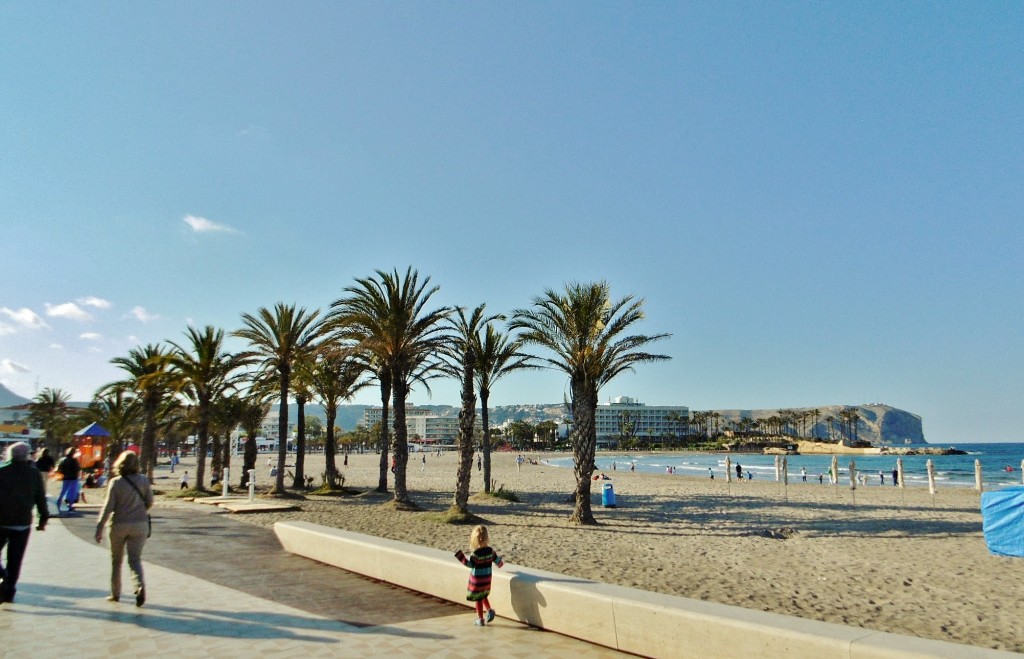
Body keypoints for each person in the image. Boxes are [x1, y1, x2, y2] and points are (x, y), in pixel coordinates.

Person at [95, 450, 154, 607]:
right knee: (135, 559)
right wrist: (140, 510)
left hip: (119, 524)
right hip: (140, 524)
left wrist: (99, 527)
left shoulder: (116, 482)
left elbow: (108, 507)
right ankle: (139, 586)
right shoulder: (144, 480)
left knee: (116, 561)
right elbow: (150, 502)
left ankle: (115, 594)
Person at [0, 442, 49, 604]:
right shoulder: (33, 474)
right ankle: (9, 590)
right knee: (15, 559)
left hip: (1, 522)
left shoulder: (2, 471)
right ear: (27, 455)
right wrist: (43, 518)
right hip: (22, 523)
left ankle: (4, 577)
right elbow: (40, 498)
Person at [454, 525, 504, 626]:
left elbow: (470, 565)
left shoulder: (475, 554)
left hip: (477, 582)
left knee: (478, 599)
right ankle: (489, 610)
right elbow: (498, 562)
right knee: (484, 595)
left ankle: (480, 618)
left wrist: (461, 558)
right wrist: (500, 563)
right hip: (486, 580)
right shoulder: (490, 551)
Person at [56, 447, 82, 514]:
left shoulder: (64, 460)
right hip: (73, 477)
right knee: (72, 493)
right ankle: (70, 506)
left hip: (66, 477)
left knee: (63, 491)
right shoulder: (74, 460)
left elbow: (60, 469)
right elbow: (78, 469)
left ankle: (58, 503)